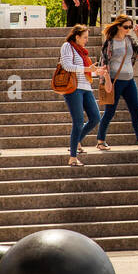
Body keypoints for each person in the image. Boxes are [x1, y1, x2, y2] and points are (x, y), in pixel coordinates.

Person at [95, 14, 138, 152]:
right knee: (110, 112)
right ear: (118, 26)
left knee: (135, 110)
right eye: (125, 27)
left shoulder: (130, 40)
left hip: (129, 80)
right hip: (115, 81)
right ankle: (100, 141)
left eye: (130, 27)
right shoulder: (110, 43)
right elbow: (104, 63)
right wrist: (107, 82)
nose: (128, 29)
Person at [60, 24, 103, 167]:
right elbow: (67, 66)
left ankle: (77, 140)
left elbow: (86, 71)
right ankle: (73, 157)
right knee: (78, 122)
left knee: (96, 117)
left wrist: (97, 72)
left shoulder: (82, 52)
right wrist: (87, 68)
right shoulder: (67, 46)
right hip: (73, 89)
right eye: (84, 37)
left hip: (86, 87)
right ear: (76, 37)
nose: (86, 40)